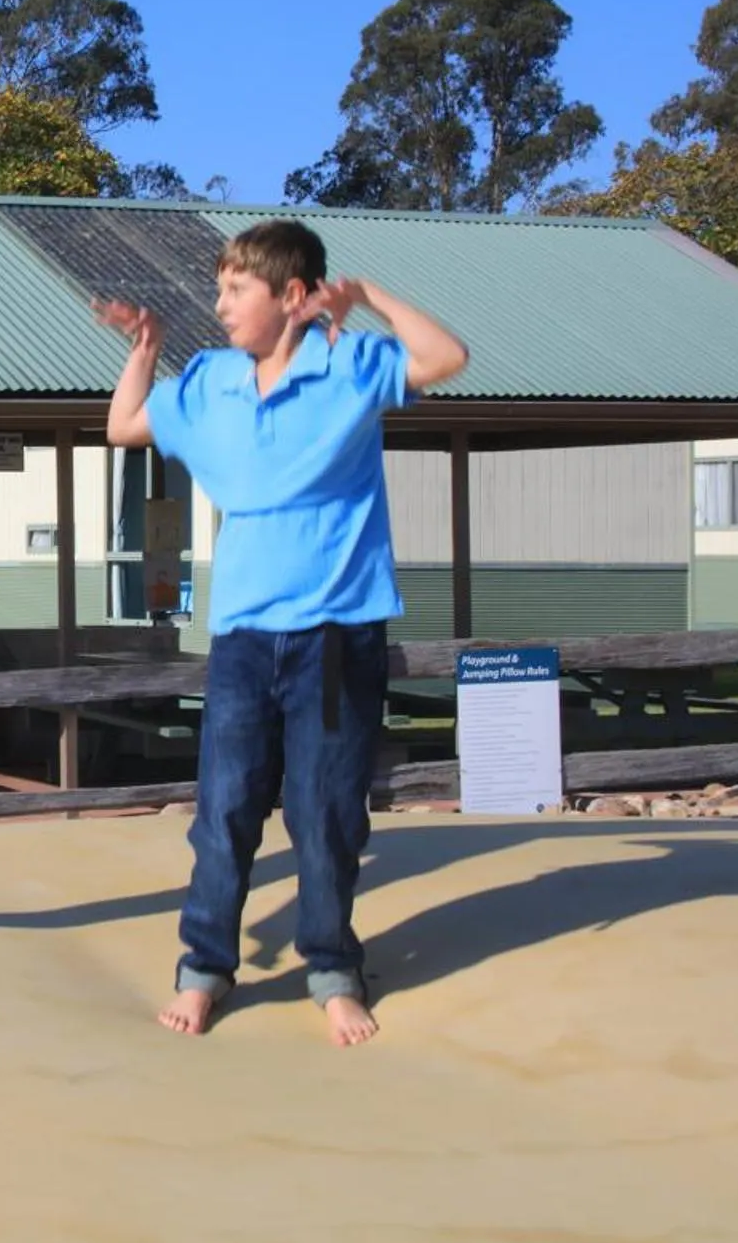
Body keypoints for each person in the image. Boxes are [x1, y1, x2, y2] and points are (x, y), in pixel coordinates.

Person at [98, 219, 469, 1046]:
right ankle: (205, 970)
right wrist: (147, 348)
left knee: (326, 810)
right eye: (219, 286)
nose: (219, 302)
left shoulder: (349, 365)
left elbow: (446, 358)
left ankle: (333, 970)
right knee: (225, 808)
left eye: (237, 289)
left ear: (293, 296)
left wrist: (367, 296)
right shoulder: (211, 382)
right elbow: (124, 427)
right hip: (241, 640)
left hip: (336, 636)